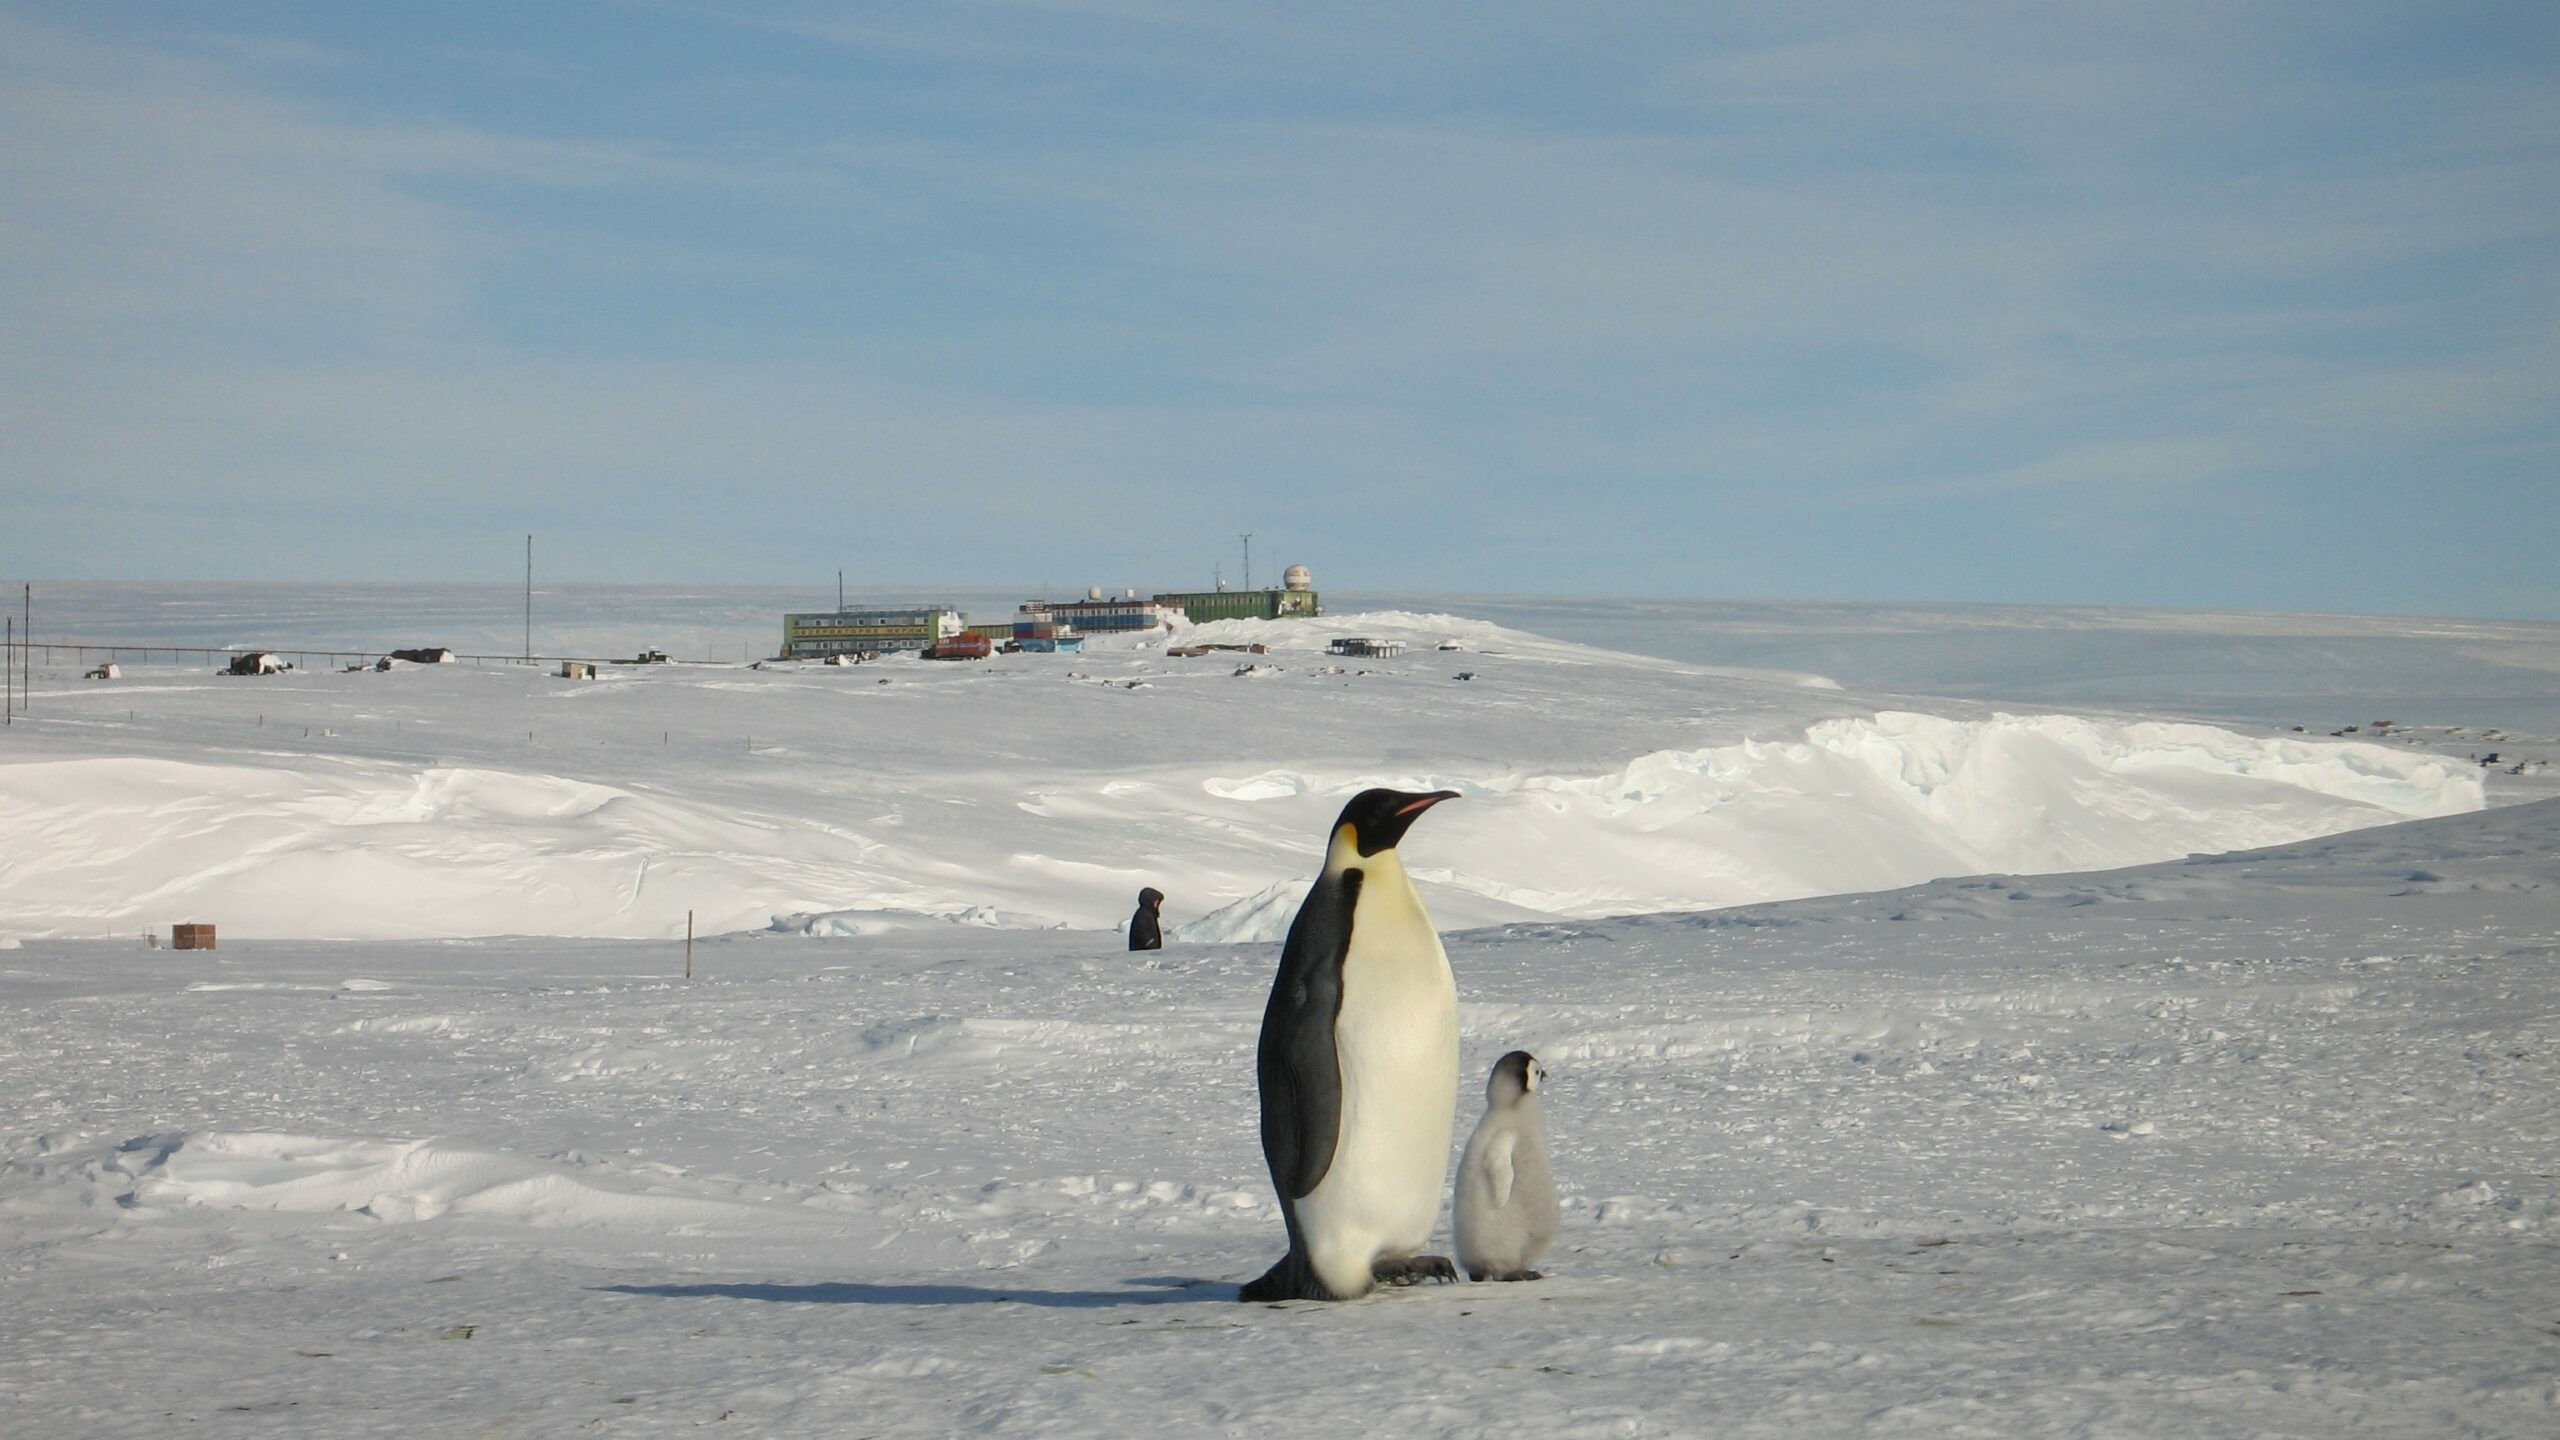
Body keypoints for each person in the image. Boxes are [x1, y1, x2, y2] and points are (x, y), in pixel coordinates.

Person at [1128, 886, 1165, 950]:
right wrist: (1151, 945)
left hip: (1144, 954)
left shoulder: (1147, 914)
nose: (1157, 904)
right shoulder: (1144, 915)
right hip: (1143, 954)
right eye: (1156, 901)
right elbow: (1143, 935)